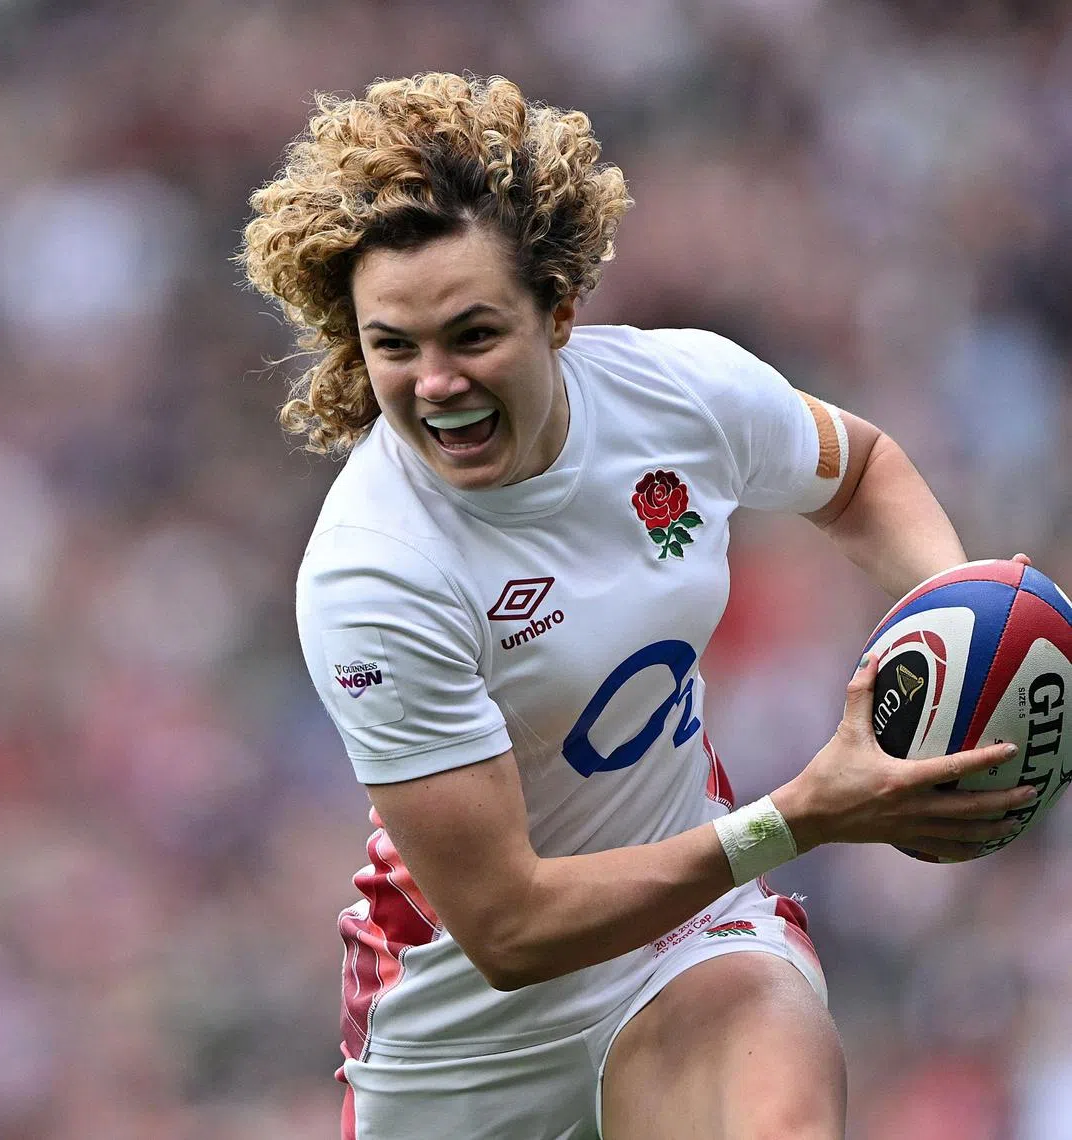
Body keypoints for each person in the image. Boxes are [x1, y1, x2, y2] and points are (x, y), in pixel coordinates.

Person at [239, 72, 1033, 1140]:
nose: (434, 382)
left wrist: (958, 628)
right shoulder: (374, 570)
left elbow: (860, 473)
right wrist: (800, 816)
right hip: (470, 1040)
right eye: (394, 346)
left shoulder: (679, 394)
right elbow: (509, 926)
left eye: (473, 335)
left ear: (559, 309)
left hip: (692, 932)